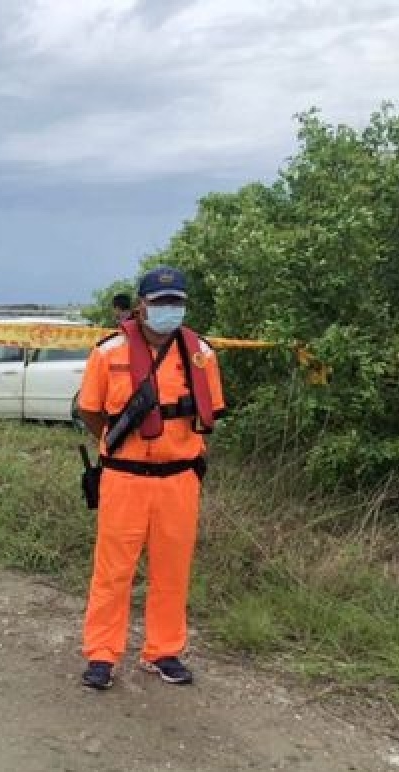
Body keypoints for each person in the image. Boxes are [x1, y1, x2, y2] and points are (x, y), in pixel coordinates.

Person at [74, 266, 226, 691]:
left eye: (176, 302)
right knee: (112, 571)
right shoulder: (108, 352)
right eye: (159, 303)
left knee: (172, 570)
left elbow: (209, 412)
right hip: (124, 479)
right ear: (141, 306)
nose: (168, 310)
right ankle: (102, 655)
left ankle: (163, 650)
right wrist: (118, 441)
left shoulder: (202, 355)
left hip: (180, 479)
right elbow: (90, 410)